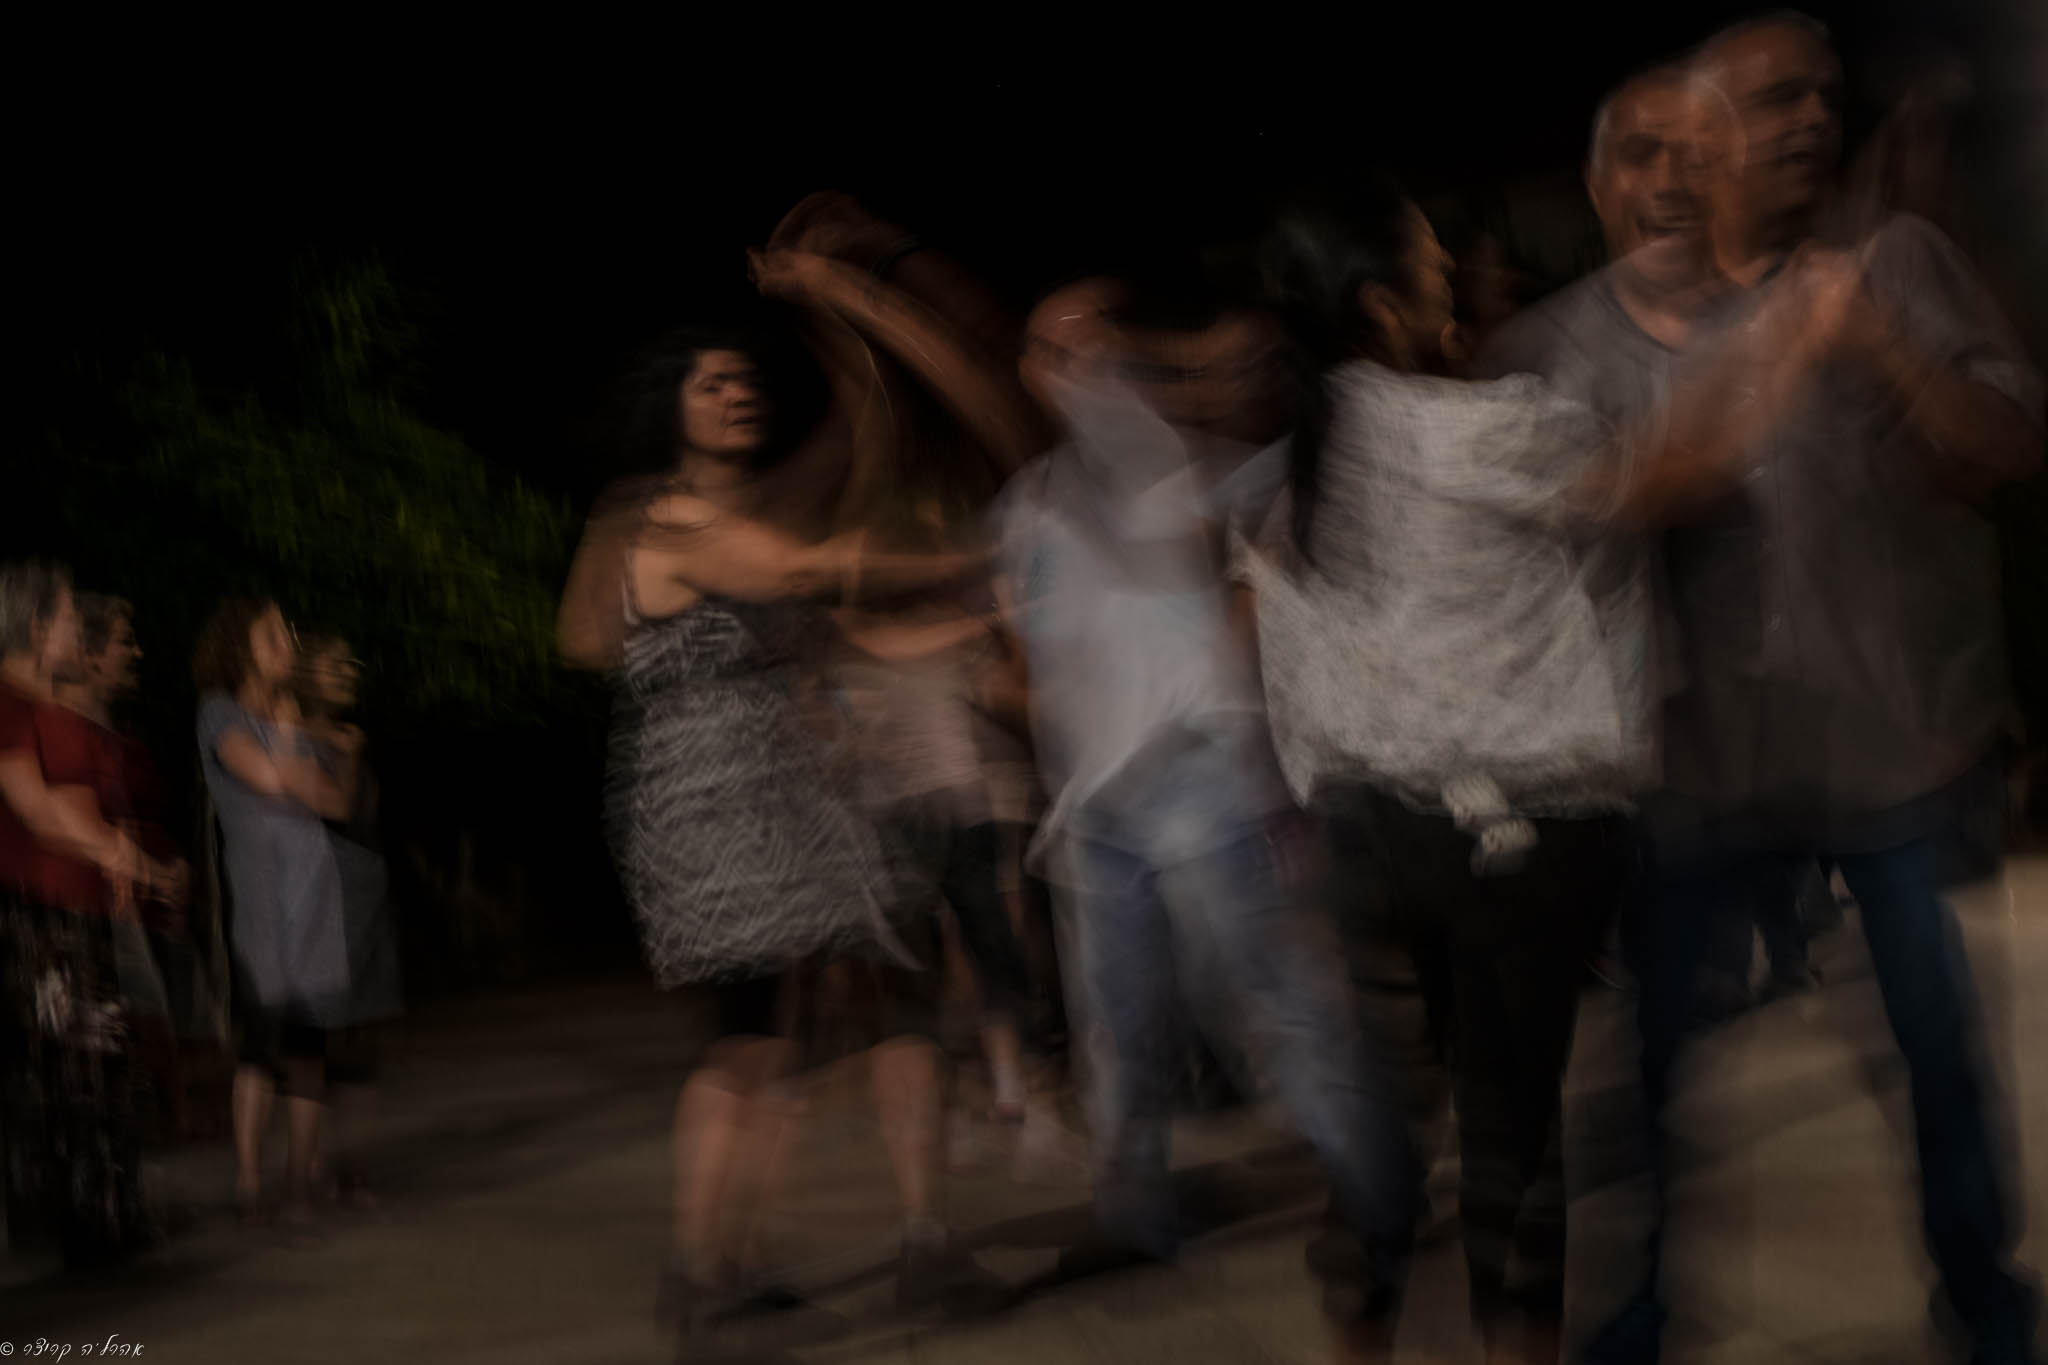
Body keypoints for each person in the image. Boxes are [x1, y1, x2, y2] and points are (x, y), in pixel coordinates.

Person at [1541, 17, 2043, 1363]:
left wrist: (1880, 349)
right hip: (1700, 770)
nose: (1813, 118)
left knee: (1934, 1054)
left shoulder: (1895, 266)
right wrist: (1763, 369)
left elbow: (2005, 445)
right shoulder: (1604, 327)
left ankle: (1985, 1306)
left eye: (1823, 95)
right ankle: (1639, 1309)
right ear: (1698, 144)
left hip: (1885, 761)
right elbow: (1596, 507)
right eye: (1773, 100)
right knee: (1652, 1073)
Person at [1242, 173, 1719, 1363]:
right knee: (1511, 1137)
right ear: (1379, 305)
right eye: (1432, 270)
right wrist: (1784, 348)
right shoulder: (1461, 428)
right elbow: (1657, 480)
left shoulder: (1303, 455)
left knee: (1382, 1131)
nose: (1453, 281)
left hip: (1365, 837)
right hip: (1508, 836)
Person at [994, 274, 1417, 1362]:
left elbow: (1219, 571)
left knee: (1282, 1011)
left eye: (1093, 346)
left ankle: (1377, 1192)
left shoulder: (1193, 467)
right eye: (1050, 350)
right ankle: (1133, 1212)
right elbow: (1032, 651)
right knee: (1116, 1023)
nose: (1075, 369)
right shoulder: (1028, 504)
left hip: (1205, 789)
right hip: (1096, 806)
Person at [558, 327, 998, 1335]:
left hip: (781, 798)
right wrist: (974, 555)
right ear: (670, 406)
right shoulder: (672, 519)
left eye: (744, 379)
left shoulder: (713, 519)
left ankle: (734, 1262)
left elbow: (832, 607)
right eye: (710, 382)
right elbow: (814, 569)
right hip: (717, 805)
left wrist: (972, 620)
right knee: (748, 1038)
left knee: (773, 1033)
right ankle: (698, 1275)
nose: (736, 393)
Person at [0, 562, 180, 1268]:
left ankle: (107, 1214)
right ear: (36, 625)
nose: (79, 629)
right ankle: (88, 1224)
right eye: (71, 617)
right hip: (38, 913)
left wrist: (124, 859)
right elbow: (37, 809)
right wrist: (130, 859)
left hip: (77, 906)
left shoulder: (47, 701)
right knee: (74, 1064)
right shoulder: (7, 702)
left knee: (100, 1059)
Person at [194, 598, 359, 1228]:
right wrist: (292, 742)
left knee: (308, 1044)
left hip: (315, 899)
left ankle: (297, 1186)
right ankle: (248, 1181)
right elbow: (264, 776)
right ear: (239, 647)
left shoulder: (294, 713)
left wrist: (307, 750)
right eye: (272, 633)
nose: (288, 641)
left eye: (287, 631)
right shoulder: (219, 711)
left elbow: (335, 801)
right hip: (262, 906)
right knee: (261, 1046)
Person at [52, 594, 195, 1139]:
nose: (135, 654)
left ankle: (165, 1111)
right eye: (123, 642)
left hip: (134, 888)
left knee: (147, 999)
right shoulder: (61, 725)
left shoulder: (116, 733)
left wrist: (168, 871)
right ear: (89, 654)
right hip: (94, 890)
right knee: (121, 1004)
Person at [293, 631, 401, 1205]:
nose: (348, 672)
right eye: (335, 665)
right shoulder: (292, 739)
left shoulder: (349, 736)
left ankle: (354, 1164)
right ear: (304, 674)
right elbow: (330, 808)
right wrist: (348, 755)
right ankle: (308, 1165)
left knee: (364, 1036)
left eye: (351, 664)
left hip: (363, 894)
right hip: (321, 898)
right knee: (323, 1032)